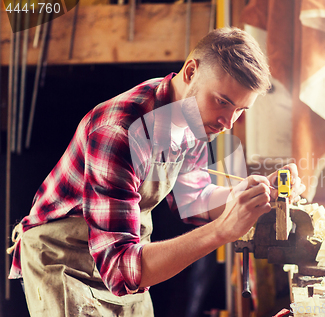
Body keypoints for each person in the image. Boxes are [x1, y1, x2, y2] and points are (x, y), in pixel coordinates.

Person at [7, 27, 306, 316]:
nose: (228, 122)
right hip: (66, 261)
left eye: (241, 109)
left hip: (124, 256)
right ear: (191, 72)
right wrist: (221, 231)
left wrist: (247, 197)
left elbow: (194, 199)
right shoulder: (120, 132)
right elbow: (120, 270)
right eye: (223, 102)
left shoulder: (194, 116)